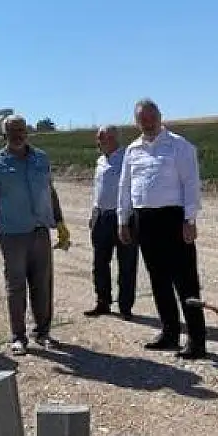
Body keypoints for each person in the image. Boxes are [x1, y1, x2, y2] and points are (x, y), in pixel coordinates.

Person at [117, 98, 207, 359]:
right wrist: (124, 220)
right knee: (158, 280)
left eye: (150, 117)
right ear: (137, 122)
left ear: (159, 116)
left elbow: (191, 184)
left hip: (174, 219)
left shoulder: (179, 146)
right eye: (141, 119)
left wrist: (190, 220)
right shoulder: (133, 151)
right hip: (144, 220)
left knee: (186, 281)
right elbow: (125, 187)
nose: (147, 123)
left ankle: (197, 340)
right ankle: (169, 333)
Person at [0, 115, 71, 355]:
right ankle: (18, 337)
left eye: (21, 130)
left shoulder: (41, 159)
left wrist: (60, 223)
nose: (18, 135)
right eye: (13, 132)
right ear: (5, 136)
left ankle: (43, 333)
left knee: (42, 285)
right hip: (12, 234)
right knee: (16, 286)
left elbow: (50, 192)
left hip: (40, 231)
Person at [84, 125, 139, 320]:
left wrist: (127, 218)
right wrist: (93, 213)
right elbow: (98, 189)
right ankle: (103, 302)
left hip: (124, 218)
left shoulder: (128, 159)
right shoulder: (100, 160)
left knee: (127, 264)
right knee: (100, 262)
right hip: (101, 217)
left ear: (113, 138)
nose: (98, 142)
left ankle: (125, 306)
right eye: (98, 138)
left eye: (101, 138)